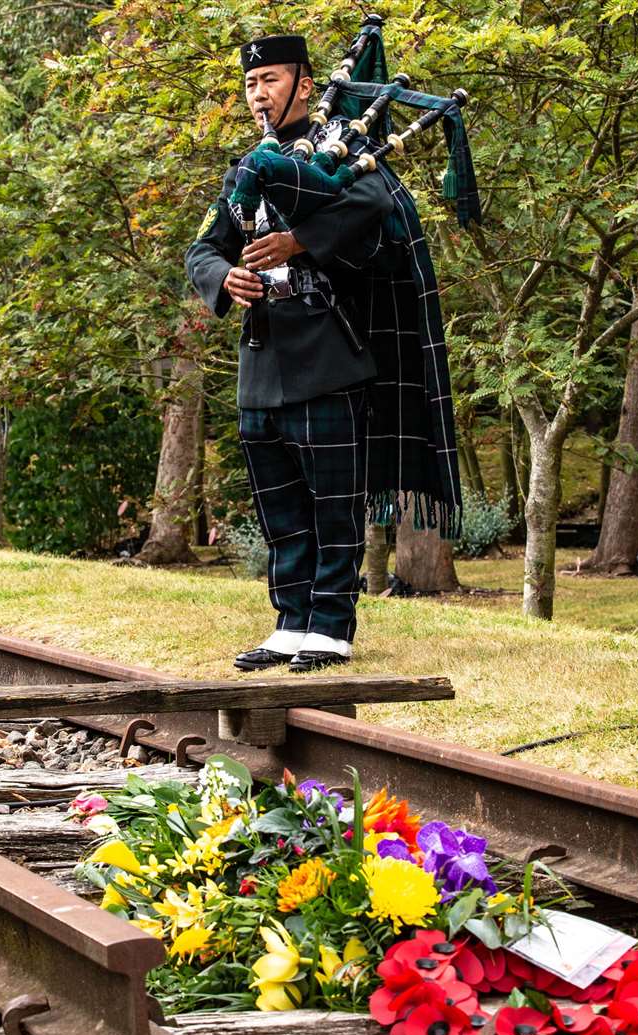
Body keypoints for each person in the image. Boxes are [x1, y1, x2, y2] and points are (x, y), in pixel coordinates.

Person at [186, 34, 396, 673]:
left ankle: (331, 626)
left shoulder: (348, 147)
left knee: (334, 504)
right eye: (250, 84)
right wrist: (224, 277)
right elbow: (203, 248)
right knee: (280, 504)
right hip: (262, 365)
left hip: (329, 357)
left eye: (269, 80)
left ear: (304, 84)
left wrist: (297, 243)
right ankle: (290, 621)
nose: (258, 95)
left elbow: (375, 204)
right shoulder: (246, 167)